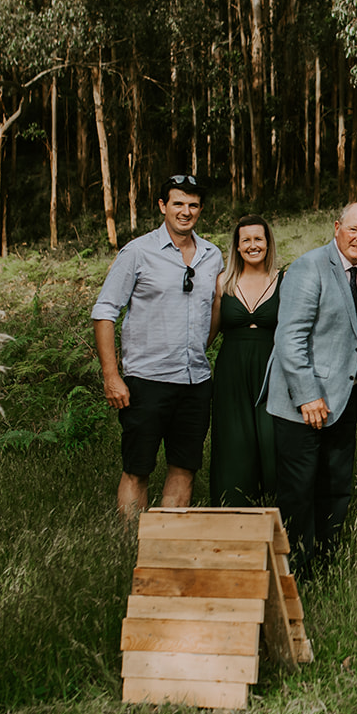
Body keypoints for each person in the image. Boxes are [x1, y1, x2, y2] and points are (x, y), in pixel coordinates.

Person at [93, 175, 223, 516]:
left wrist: (196, 346)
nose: (186, 211)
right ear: (163, 206)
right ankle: (129, 547)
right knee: (138, 468)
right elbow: (105, 312)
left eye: (193, 205)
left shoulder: (212, 255)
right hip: (146, 380)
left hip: (195, 382)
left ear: (201, 210)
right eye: (178, 203)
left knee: (184, 467)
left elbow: (215, 311)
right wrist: (111, 375)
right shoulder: (138, 252)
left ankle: (167, 547)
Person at [264, 203, 357, 569]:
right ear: (336, 227)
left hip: (345, 400)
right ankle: (295, 570)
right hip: (305, 404)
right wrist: (308, 395)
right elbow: (290, 338)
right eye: (354, 229)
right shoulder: (309, 266)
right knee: (299, 491)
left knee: (336, 488)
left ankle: (325, 562)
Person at [209, 214, 280, 507]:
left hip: (272, 371)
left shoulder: (283, 279)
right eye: (246, 240)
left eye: (258, 239)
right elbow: (208, 334)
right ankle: (234, 511)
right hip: (232, 372)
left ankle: (281, 516)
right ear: (237, 247)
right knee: (234, 444)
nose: (253, 245)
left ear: (268, 243)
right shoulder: (223, 282)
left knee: (273, 441)